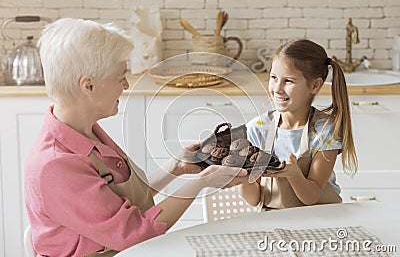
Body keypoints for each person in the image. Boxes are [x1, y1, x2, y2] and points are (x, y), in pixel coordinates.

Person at [24, 18, 248, 257]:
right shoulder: (57, 165)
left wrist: (177, 167)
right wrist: (201, 183)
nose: (127, 85)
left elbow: (119, 205)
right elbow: (136, 233)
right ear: (88, 86)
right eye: (120, 78)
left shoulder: (86, 132)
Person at [239, 39, 358, 210]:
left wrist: (293, 174)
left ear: (315, 85)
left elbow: (311, 197)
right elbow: (254, 199)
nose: (277, 88)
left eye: (288, 81)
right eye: (273, 78)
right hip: (273, 220)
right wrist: (242, 176)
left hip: (322, 218)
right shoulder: (258, 129)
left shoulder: (325, 131)